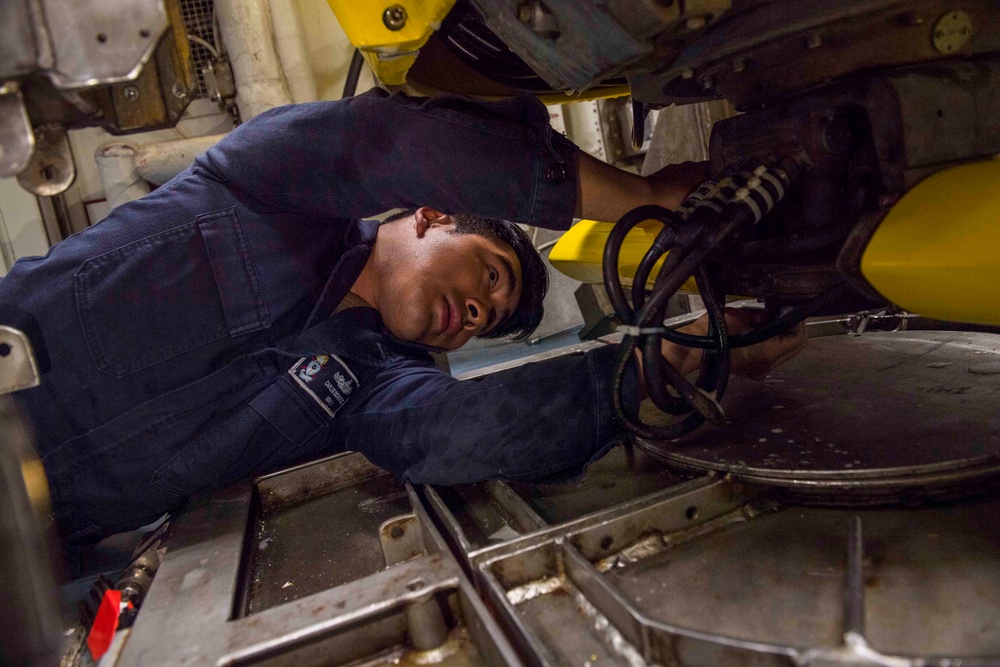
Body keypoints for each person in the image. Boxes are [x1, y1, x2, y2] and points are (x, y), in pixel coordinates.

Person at [0, 90, 805, 543]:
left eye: (487, 321)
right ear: (433, 215)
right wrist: (644, 197)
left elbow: (452, 432)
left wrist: (657, 367)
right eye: (490, 274)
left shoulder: (372, 383)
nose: (479, 310)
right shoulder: (258, 188)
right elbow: (383, 141)